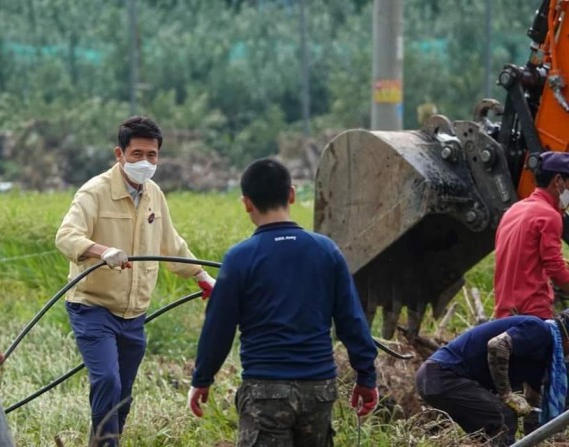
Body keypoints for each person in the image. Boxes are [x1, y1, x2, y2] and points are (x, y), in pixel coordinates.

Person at [187, 158, 379, 446]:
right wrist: (366, 376)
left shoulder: (239, 258)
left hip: (265, 390)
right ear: (291, 194)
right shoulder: (326, 251)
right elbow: (351, 319)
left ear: (246, 203)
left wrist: (202, 379)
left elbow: (218, 328)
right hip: (319, 388)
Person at [55, 115, 216, 447]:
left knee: (123, 393)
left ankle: (107, 441)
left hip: (134, 315)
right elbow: (66, 236)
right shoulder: (95, 192)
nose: (145, 162)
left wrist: (200, 274)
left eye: (152, 155)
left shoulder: (155, 194)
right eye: (137, 154)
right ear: (119, 154)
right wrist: (100, 251)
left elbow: (171, 244)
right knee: (108, 382)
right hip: (93, 307)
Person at [415, 311, 569, 446]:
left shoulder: (544, 357)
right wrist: (506, 394)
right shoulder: (538, 330)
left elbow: (532, 403)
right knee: (502, 417)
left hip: (440, 379)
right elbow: (497, 345)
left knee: (491, 430)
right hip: (441, 375)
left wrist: (539, 439)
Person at [494, 151, 569, 319]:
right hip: (532, 314)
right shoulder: (549, 216)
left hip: (505, 314)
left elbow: (524, 257)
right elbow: (555, 270)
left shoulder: (514, 210)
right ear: (558, 182)